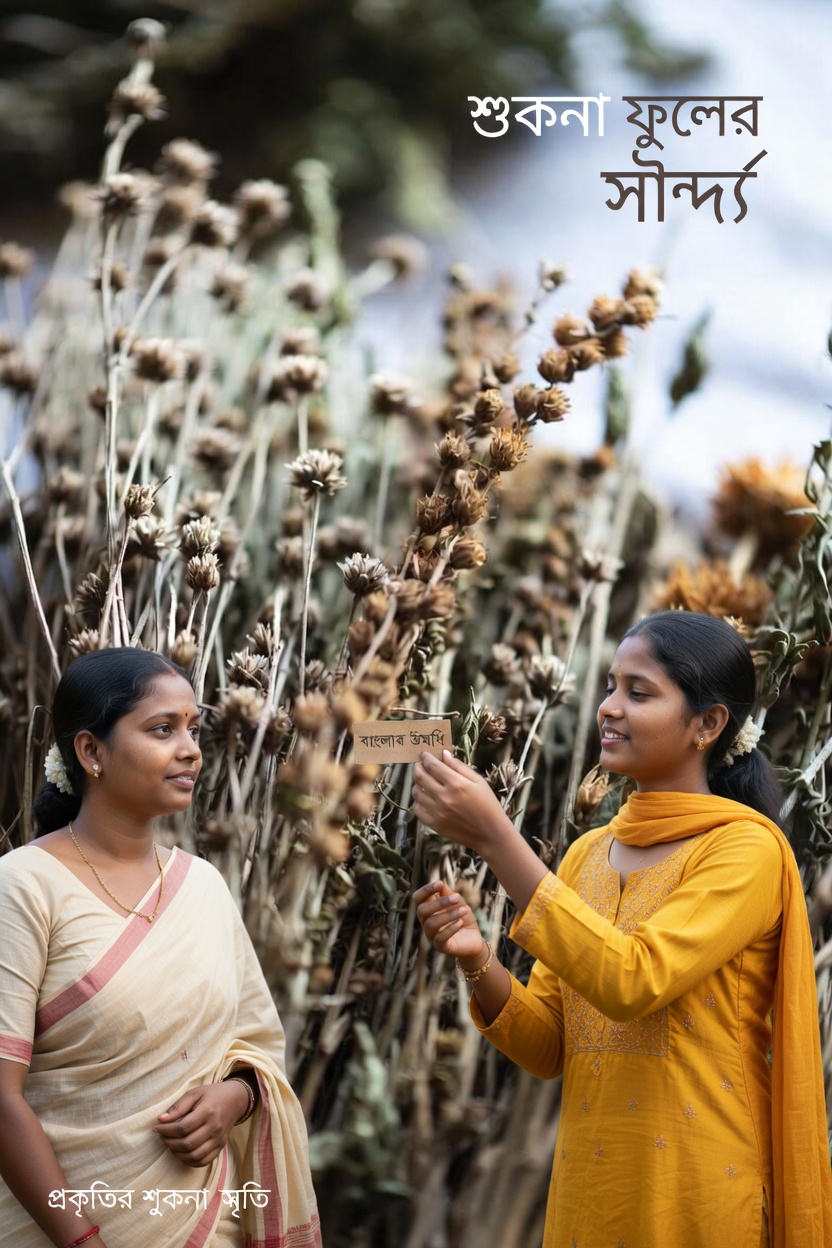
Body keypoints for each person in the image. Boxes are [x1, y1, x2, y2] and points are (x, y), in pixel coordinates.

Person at [413, 610, 832, 1248]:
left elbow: (633, 978)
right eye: (611, 686)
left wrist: (497, 836)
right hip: (591, 1196)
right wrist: (478, 961)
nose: (609, 707)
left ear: (709, 723)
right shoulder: (588, 854)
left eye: (639, 693)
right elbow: (553, 1044)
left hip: (696, 1193)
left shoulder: (745, 851)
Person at [0, 647, 321, 1248]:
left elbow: (256, 1048)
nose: (191, 749)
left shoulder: (202, 886)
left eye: (194, 729)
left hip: (205, 1223)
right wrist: (81, 1240)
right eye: (161, 729)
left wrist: (238, 1096)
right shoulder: (23, 885)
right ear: (91, 752)